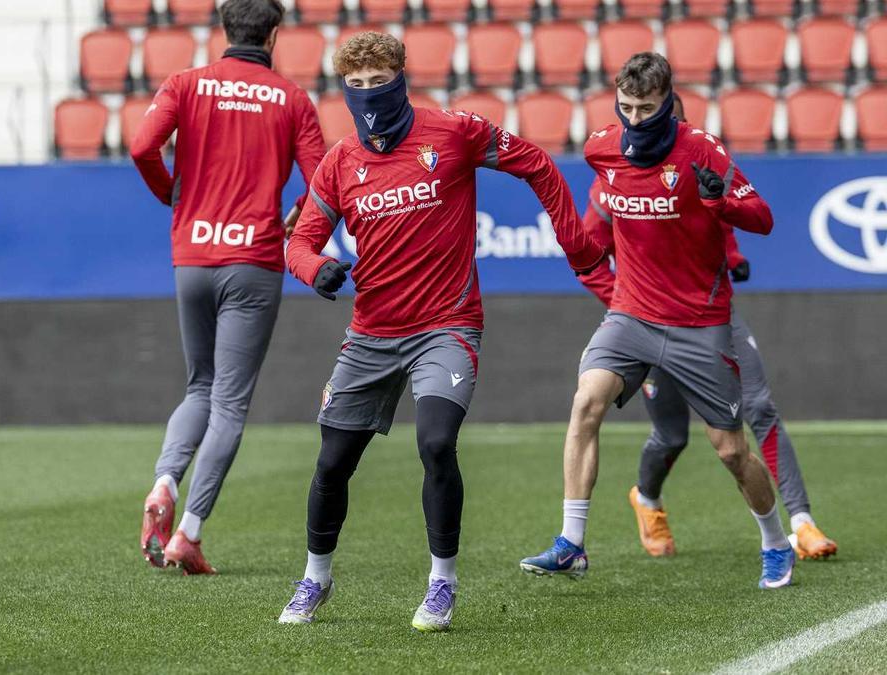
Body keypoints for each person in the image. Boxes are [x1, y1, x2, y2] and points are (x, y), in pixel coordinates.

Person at [277, 32, 604, 631]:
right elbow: (297, 242)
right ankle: (315, 579)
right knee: (331, 464)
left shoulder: (454, 133)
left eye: (381, 81)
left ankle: (441, 584)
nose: (370, 93)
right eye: (358, 85)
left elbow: (535, 162)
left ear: (403, 75)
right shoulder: (340, 161)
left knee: (434, 443)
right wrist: (314, 269)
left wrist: (576, 242)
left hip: (445, 327)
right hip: (371, 332)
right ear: (345, 91)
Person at [519, 52, 795, 590]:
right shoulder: (602, 150)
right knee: (585, 403)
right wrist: (613, 292)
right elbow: (593, 242)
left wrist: (722, 205)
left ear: (668, 101)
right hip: (631, 316)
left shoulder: (702, 149)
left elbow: (761, 217)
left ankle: (775, 541)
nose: (636, 119)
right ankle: (571, 543)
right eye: (626, 107)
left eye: (646, 108)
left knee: (730, 449)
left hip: (698, 321)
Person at [577, 94, 838, 562]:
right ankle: (648, 499)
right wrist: (622, 301)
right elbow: (587, 252)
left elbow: (727, 222)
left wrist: (732, 258)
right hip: (645, 318)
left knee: (759, 406)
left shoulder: (697, 166)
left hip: (712, 315)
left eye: (668, 123)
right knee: (671, 435)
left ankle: (801, 522)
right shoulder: (610, 184)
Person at [130, 0, 325, 574]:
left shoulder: (186, 84)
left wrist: (170, 192)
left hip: (191, 254)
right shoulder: (292, 99)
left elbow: (142, 147)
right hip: (254, 260)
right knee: (230, 402)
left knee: (199, 387)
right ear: (274, 32)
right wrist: (296, 214)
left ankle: (164, 481)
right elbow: (322, 184)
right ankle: (187, 533)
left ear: (224, 29)